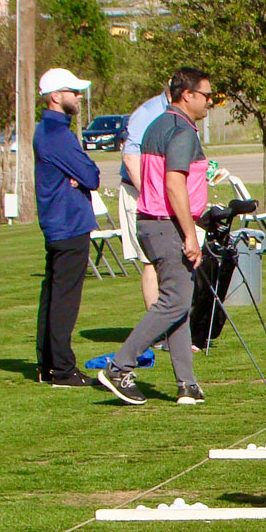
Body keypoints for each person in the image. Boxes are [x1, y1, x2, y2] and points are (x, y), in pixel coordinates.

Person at [98, 68, 213, 405]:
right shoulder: (180, 131)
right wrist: (190, 236)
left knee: (178, 301)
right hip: (167, 224)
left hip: (151, 221)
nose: (210, 102)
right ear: (187, 95)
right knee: (175, 301)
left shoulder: (157, 125)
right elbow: (174, 184)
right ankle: (120, 366)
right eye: (206, 95)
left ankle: (186, 384)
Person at [33, 68, 101, 387]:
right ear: (56, 97)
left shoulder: (47, 131)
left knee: (52, 294)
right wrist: (79, 176)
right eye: (73, 92)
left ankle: (48, 364)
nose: (78, 97)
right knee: (64, 299)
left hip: (58, 222)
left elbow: (84, 174)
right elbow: (91, 176)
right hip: (69, 224)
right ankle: (61, 369)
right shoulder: (58, 134)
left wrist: (79, 174)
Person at [118, 86, 170, 310]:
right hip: (140, 194)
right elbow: (130, 159)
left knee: (172, 260)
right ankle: (156, 328)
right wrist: (151, 196)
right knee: (150, 260)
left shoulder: (181, 113)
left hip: (166, 196)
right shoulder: (148, 113)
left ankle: (174, 326)